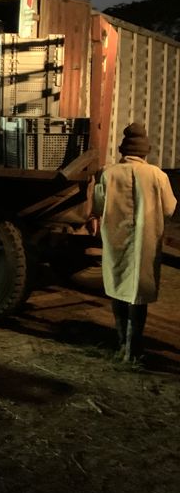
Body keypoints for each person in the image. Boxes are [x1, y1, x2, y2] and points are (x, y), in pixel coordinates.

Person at [91, 123, 177, 362]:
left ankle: (120, 344)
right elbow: (170, 209)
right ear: (145, 151)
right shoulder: (158, 175)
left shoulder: (108, 173)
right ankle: (134, 348)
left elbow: (97, 207)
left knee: (118, 287)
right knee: (138, 292)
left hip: (115, 240)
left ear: (122, 150)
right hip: (145, 243)